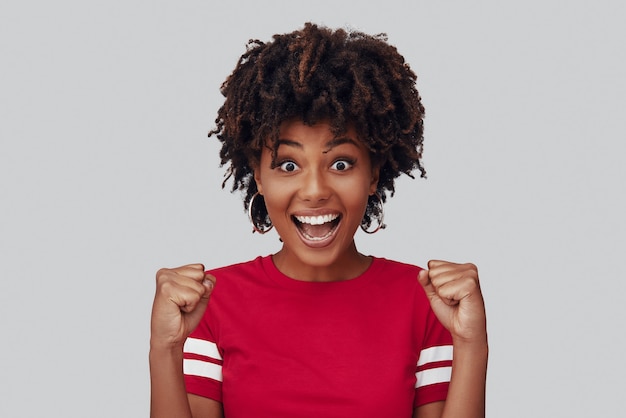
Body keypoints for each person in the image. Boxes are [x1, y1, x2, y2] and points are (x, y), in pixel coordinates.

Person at [149, 22, 488, 418]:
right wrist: (164, 348)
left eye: (341, 163)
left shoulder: (426, 302)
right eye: (288, 164)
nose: (314, 190)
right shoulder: (208, 304)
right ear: (258, 176)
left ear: (373, 174)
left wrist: (472, 343)